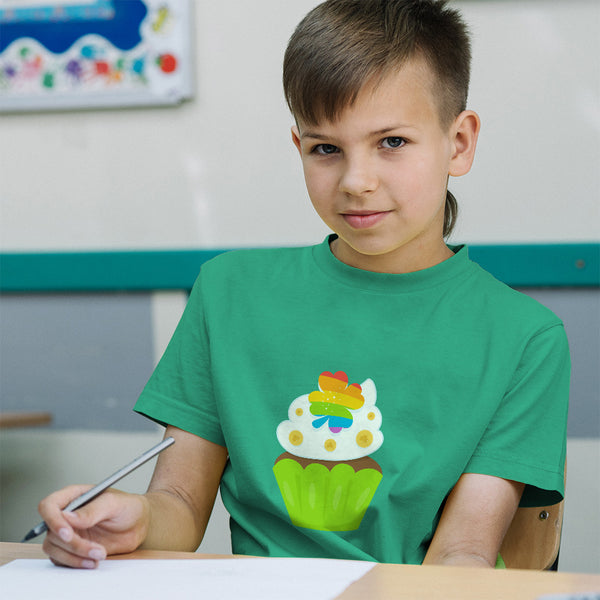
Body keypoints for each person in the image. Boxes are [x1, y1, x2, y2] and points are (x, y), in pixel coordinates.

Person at [38, 0, 569, 570]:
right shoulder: (228, 293)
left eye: (391, 142)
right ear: (300, 148)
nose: (355, 181)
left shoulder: (525, 338)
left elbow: (462, 552)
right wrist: (135, 518)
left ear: (459, 143)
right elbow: (180, 505)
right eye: (326, 148)